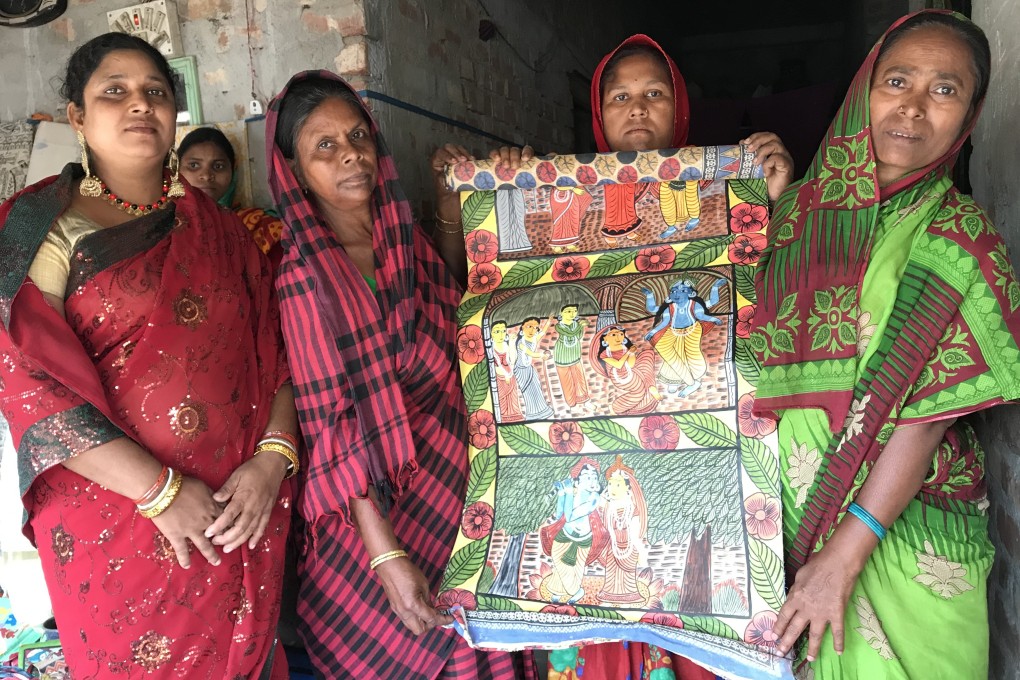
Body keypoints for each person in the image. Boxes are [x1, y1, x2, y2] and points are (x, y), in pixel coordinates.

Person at [0, 33, 297, 678]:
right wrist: (160, 492)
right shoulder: (37, 225)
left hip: (238, 510)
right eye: (115, 92)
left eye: (154, 93)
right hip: (115, 521)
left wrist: (272, 462)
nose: (139, 105)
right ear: (77, 115)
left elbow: (276, 352)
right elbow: (24, 382)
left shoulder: (222, 230)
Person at [752, 11, 1020, 678]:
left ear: (971, 114)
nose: (913, 107)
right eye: (896, 80)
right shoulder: (799, 212)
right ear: (863, 89)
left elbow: (925, 422)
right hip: (785, 530)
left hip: (903, 541)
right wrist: (777, 212)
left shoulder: (963, 237)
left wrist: (841, 560)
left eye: (945, 89)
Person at [265, 70, 530, 679]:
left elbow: (465, 312)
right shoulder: (305, 276)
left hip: (458, 495)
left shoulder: (400, 238)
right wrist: (386, 558)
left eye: (357, 135)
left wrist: (447, 207)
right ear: (293, 169)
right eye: (323, 146)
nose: (350, 154)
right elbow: (333, 425)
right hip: (371, 532)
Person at [177, 126, 285, 255]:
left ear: (232, 171)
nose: (206, 175)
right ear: (177, 171)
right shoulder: (164, 228)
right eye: (194, 165)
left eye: (218, 166)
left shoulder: (259, 227)